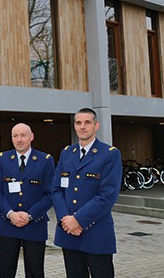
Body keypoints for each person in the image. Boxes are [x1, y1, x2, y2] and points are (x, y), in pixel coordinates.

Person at [52, 108, 122, 278]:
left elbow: (107, 195)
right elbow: (56, 189)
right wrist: (66, 220)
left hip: (96, 233)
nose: (82, 127)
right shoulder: (67, 153)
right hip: (68, 232)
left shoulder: (109, 154)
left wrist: (78, 220)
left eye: (87, 122)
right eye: (78, 123)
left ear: (96, 126)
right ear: (75, 126)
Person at [0, 123, 55, 278]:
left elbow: (50, 193)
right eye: (15, 136)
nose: (19, 139)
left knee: (35, 271)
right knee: (5, 270)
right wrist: (10, 213)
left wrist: (30, 215)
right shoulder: (3, 159)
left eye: (23, 135)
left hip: (34, 224)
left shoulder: (45, 160)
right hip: (8, 224)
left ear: (31, 137)